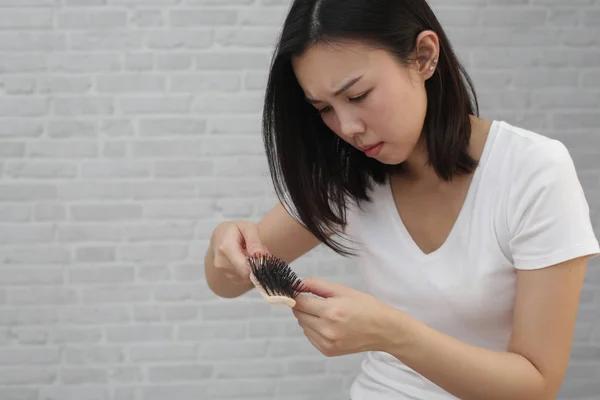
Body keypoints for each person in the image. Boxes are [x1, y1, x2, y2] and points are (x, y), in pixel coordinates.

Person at [204, 0, 600, 399]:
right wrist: (225, 244)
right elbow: (224, 283)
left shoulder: (532, 171)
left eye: (358, 95)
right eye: (324, 108)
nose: (347, 128)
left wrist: (390, 333)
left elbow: (537, 386)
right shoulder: (349, 177)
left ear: (424, 56)